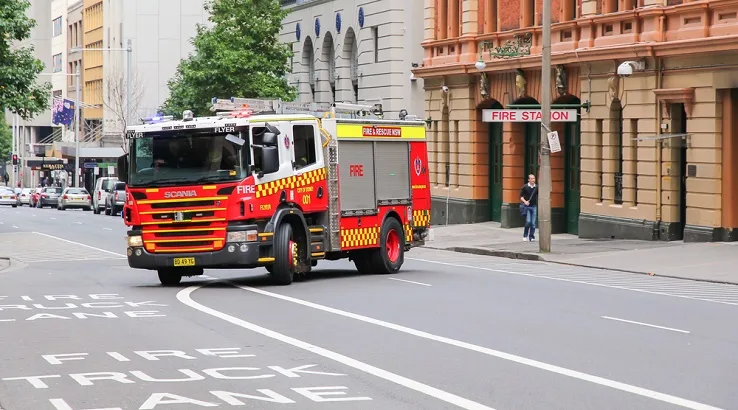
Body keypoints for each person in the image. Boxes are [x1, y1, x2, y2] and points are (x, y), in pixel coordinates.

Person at [519, 174, 538, 242]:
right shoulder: (525, 187)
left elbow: (538, 195)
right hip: (527, 207)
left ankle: (531, 236)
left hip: (534, 206)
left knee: (533, 223)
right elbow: (521, 196)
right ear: (528, 180)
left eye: (534, 178)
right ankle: (525, 235)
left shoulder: (536, 187)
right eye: (531, 178)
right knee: (528, 222)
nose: (533, 180)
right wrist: (525, 202)